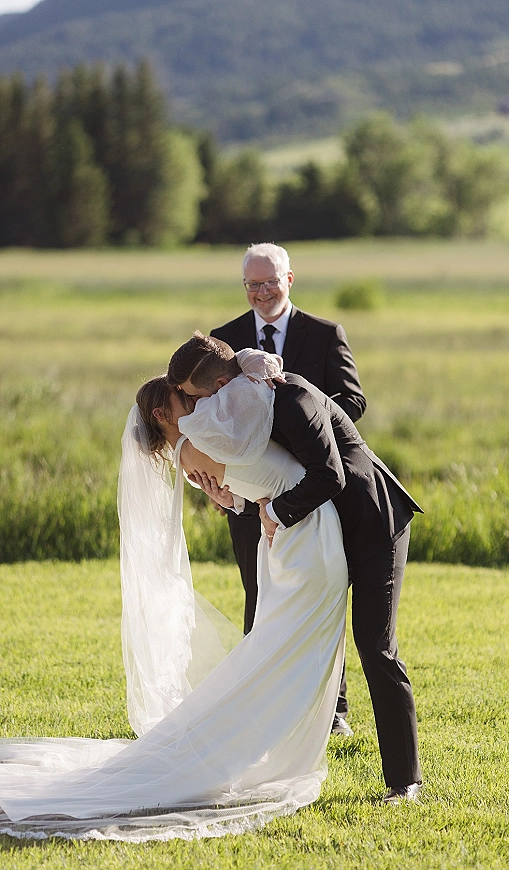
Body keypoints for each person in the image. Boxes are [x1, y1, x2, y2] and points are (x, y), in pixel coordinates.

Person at [0, 367, 349, 841]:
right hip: (304, 540)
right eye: (187, 399)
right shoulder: (204, 441)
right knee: (285, 652)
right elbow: (263, 458)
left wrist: (243, 500)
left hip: (292, 537)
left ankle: (260, 742)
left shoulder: (195, 449)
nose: (201, 403)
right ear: (164, 414)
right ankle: (250, 747)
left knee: (280, 650)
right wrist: (254, 369)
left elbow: (254, 482)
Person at [174, 337, 424, 803]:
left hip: (372, 524)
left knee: (375, 646)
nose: (195, 409)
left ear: (222, 386)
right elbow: (278, 480)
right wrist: (235, 502)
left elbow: (331, 474)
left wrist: (272, 515)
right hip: (321, 537)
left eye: (196, 398)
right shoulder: (246, 406)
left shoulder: (293, 397)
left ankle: (404, 781)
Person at [172, 241, 365, 736]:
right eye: (251, 284)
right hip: (248, 491)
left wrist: (294, 425)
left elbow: (351, 402)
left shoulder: (323, 334)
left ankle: (334, 708)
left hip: (312, 482)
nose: (260, 292)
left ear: (290, 279)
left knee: (320, 590)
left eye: (269, 282)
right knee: (258, 593)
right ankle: (262, 699)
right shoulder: (225, 338)